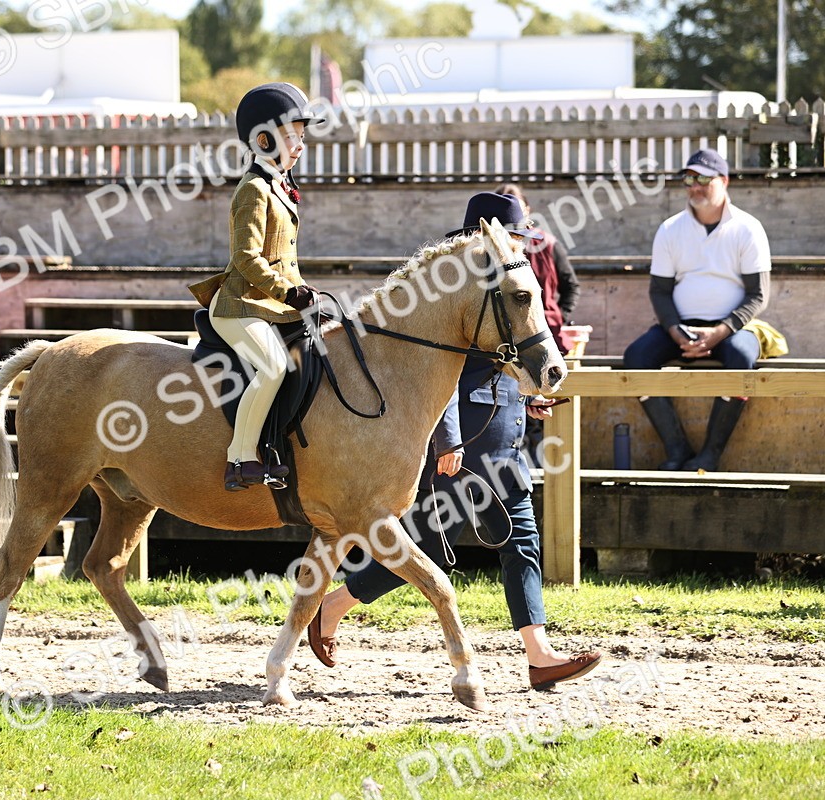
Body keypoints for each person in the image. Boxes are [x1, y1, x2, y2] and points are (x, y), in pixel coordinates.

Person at [306, 193, 603, 692]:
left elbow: (508, 356)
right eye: (512, 238)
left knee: (509, 536)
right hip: (463, 434)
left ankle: (538, 654)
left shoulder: (502, 281)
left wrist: (527, 397)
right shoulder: (451, 291)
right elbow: (432, 378)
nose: (519, 248)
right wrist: (447, 440)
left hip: (503, 425)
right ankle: (332, 607)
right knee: (436, 546)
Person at [188, 83, 322, 491]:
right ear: (264, 140)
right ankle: (241, 458)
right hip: (239, 306)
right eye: (292, 136)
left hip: (269, 305)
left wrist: (305, 295)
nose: (300, 145)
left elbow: (284, 259)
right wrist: (288, 293)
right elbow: (247, 259)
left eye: (302, 136)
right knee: (274, 366)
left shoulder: (279, 186)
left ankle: (278, 444)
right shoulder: (253, 188)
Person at [622, 149, 771, 472]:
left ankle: (709, 456)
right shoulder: (669, 229)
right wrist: (675, 329)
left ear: (725, 181)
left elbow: (758, 295)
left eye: (704, 178)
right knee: (635, 358)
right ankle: (676, 449)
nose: (695, 186)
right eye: (689, 178)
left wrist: (719, 332)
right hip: (680, 327)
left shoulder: (748, 228)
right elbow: (659, 292)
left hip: (732, 328)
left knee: (743, 359)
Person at [494, 182, 580, 354]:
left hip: (545, 334)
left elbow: (571, 287)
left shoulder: (547, 244)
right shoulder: (486, 249)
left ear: (527, 210)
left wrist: (556, 318)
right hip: (499, 339)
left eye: (517, 207)